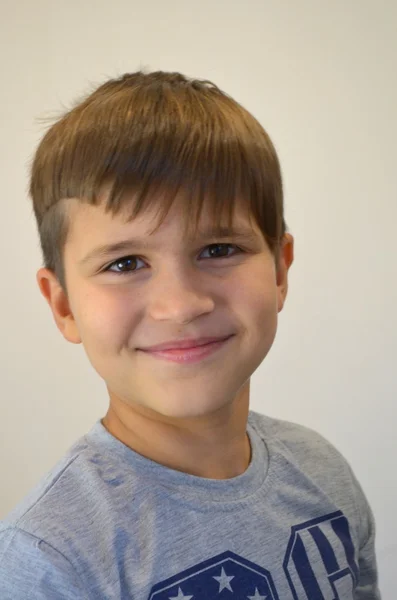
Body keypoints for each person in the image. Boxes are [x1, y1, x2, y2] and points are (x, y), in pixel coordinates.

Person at [0, 70, 380, 599]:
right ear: (63, 305)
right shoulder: (47, 560)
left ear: (279, 272)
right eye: (125, 262)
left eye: (219, 249)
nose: (180, 305)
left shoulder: (322, 473)